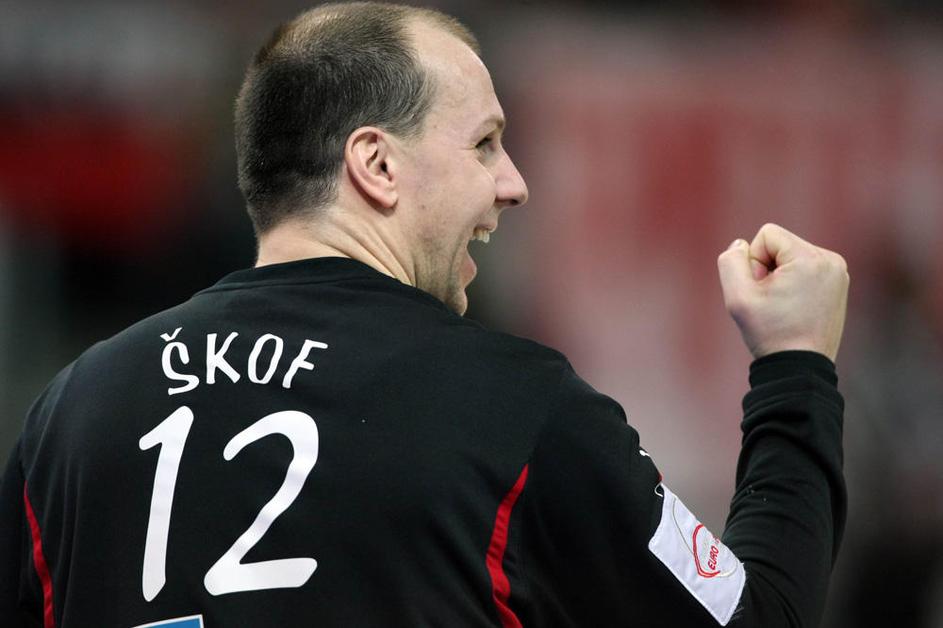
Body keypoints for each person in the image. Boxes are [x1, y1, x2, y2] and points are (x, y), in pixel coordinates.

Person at [0, 2, 849, 627]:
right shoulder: (510, 409)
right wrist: (795, 367)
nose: (512, 184)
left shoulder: (72, 410)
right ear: (376, 164)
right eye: (484, 143)